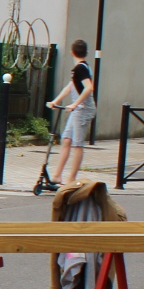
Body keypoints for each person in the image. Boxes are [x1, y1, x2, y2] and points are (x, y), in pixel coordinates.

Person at [47, 39, 96, 185]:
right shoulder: (79, 68)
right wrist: (56, 101)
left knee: (77, 144)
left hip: (83, 109)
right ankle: (57, 176)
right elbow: (70, 87)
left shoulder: (81, 68)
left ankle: (71, 179)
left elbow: (89, 88)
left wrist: (75, 104)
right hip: (78, 109)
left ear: (71, 52)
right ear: (86, 53)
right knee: (67, 140)